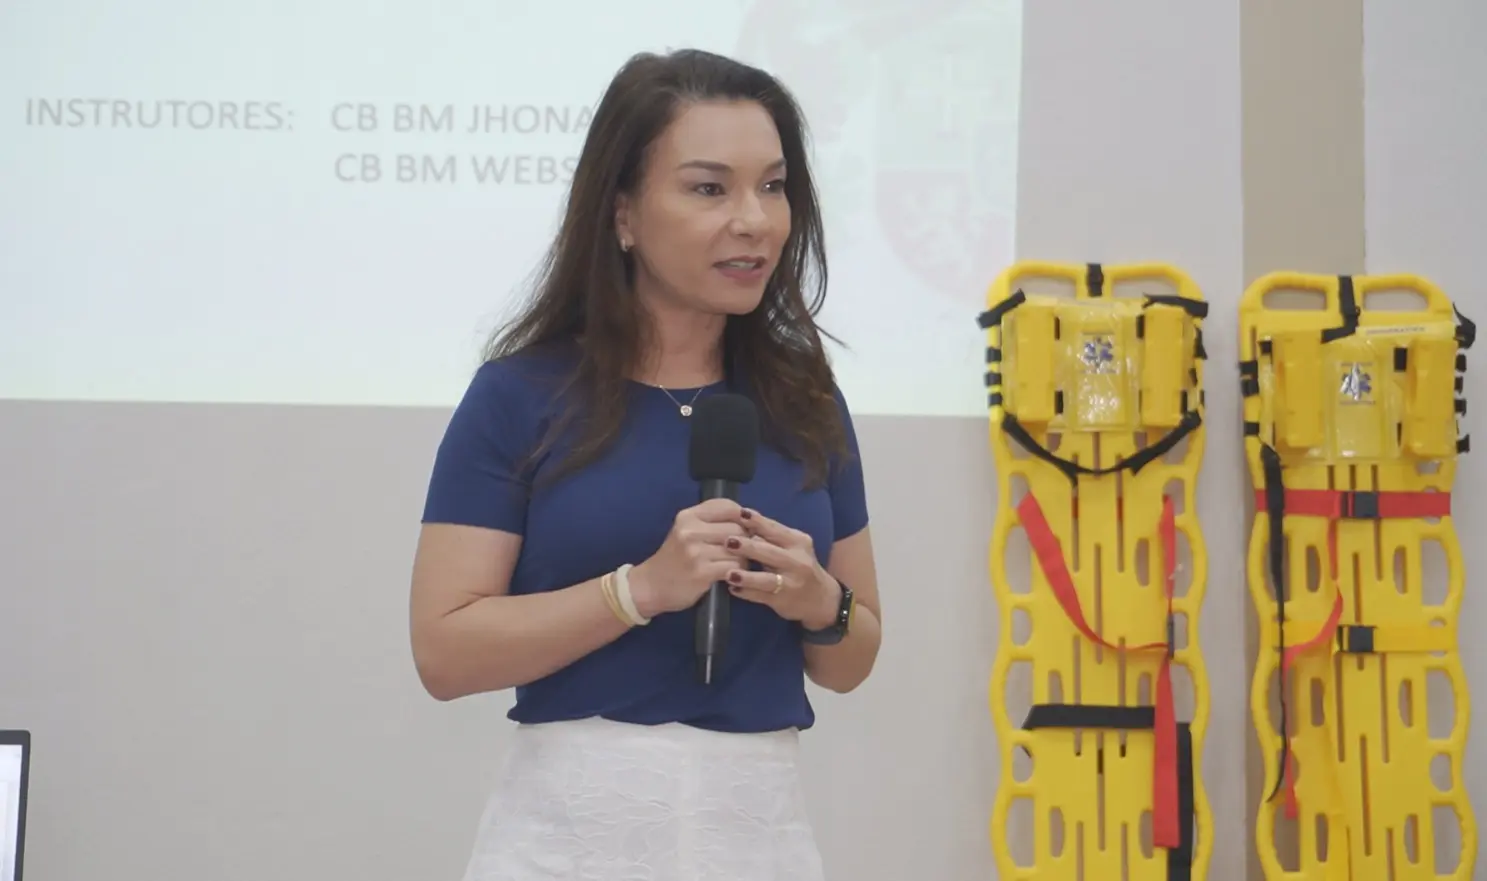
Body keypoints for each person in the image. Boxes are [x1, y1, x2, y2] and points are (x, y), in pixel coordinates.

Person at [408, 47, 882, 881]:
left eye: (772, 186)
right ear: (623, 212)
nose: (754, 220)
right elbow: (444, 653)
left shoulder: (806, 399)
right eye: (708, 188)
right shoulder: (520, 394)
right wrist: (638, 592)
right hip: (566, 838)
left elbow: (851, 659)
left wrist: (821, 602)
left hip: (759, 833)